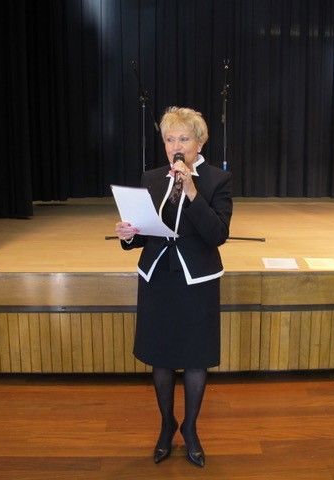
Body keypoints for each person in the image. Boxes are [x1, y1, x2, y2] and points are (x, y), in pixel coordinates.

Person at [114, 106, 232, 467]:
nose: (176, 146)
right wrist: (128, 234)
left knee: (196, 358)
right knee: (161, 356)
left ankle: (191, 429)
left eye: (183, 138)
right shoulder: (151, 178)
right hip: (158, 279)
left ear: (199, 143)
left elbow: (217, 234)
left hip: (196, 281)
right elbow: (144, 233)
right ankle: (167, 426)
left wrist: (193, 191)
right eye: (169, 139)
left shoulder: (216, 180)